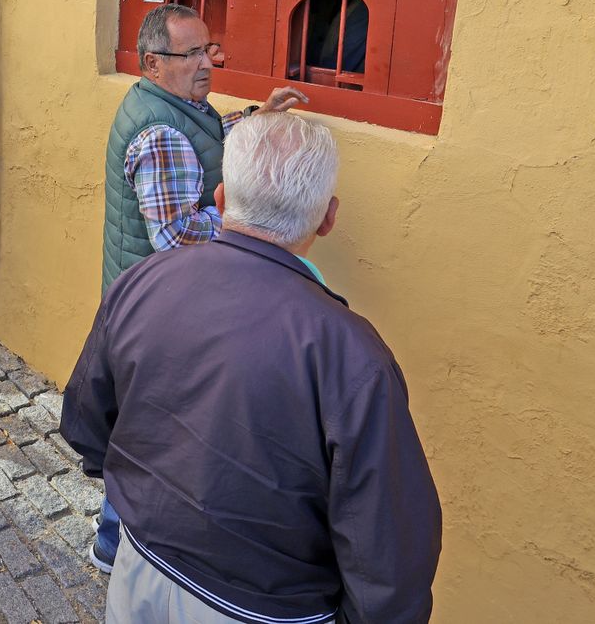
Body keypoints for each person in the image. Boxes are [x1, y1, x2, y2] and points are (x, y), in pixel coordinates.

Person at [63, 112, 442, 624]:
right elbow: (387, 547)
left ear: (219, 200)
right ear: (328, 218)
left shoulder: (145, 280)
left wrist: (143, 502)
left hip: (141, 571)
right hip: (264, 608)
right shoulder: (352, 355)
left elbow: (87, 422)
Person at [87, 3, 308, 573]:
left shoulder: (176, 106)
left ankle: (119, 533)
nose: (209, 62)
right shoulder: (159, 131)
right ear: (154, 64)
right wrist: (245, 220)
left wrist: (258, 117)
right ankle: (115, 541)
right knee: (147, 428)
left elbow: (207, 137)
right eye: (192, 54)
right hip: (159, 306)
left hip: (147, 296)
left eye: (209, 48)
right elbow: (175, 233)